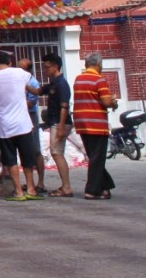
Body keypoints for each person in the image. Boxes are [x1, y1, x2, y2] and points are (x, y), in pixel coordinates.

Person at [0, 52, 41, 202]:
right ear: (9, 61)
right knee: (27, 158)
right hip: (23, 123)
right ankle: (31, 188)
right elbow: (31, 84)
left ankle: (18, 191)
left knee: (11, 159)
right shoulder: (20, 73)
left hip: (5, 125)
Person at [73, 53, 117, 200]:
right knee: (97, 158)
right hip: (96, 123)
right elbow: (105, 101)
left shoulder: (78, 79)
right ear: (98, 64)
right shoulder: (99, 79)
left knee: (94, 157)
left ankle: (105, 187)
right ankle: (92, 190)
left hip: (82, 122)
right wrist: (113, 102)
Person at [40, 53, 74, 197]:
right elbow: (37, 91)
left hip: (61, 122)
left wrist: (60, 127)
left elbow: (64, 107)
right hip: (56, 122)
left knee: (57, 153)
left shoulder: (62, 84)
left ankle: (66, 187)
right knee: (57, 153)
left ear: (55, 67)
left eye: (47, 67)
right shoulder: (53, 83)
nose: (45, 70)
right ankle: (65, 186)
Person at [17, 58, 47, 196]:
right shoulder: (17, 81)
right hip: (20, 116)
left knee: (35, 149)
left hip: (31, 115)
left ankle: (40, 182)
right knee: (24, 149)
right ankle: (30, 182)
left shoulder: (32, 83)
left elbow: (30, 103)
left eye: (21, 69)